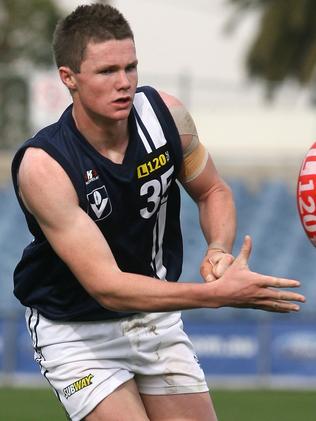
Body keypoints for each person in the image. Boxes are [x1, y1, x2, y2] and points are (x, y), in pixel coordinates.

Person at [11, 4, 305, 421]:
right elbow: (108, 287)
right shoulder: (45, 166)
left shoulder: (168, 116)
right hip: (76, 330)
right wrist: (216, 296)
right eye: (107, 71)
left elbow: (213, 191)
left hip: (153, 319)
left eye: (131, 67)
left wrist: (218, 249)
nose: (124, 83)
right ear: (68, 78)